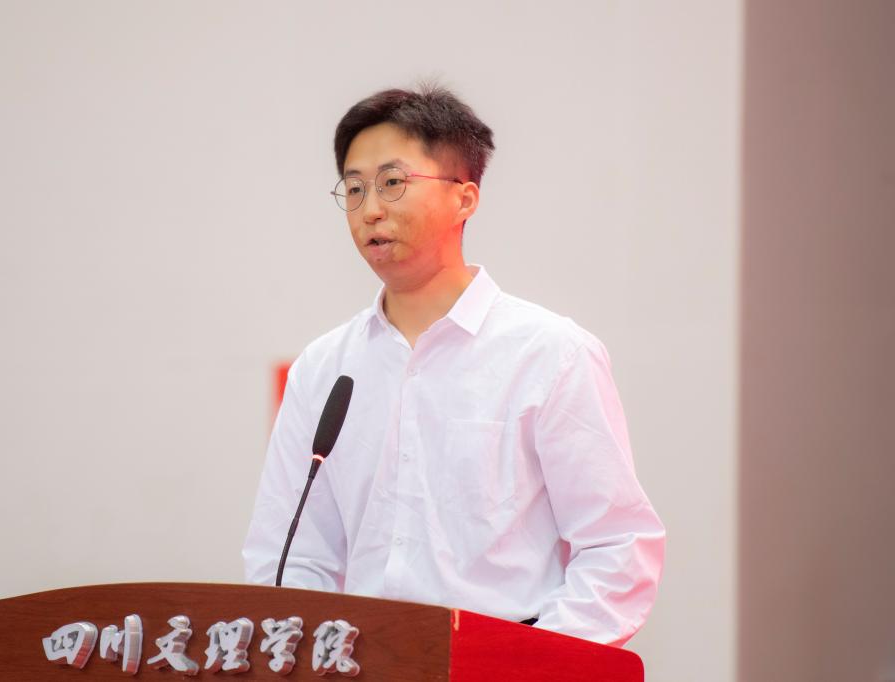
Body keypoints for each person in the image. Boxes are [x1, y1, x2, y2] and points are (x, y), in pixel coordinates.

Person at [242, 85, 665, 647]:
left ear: (464, 199)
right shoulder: (323, 369)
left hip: (505, 660)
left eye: (393, 183)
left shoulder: (550, 354)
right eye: (354, 188)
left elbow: (617, 546)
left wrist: (527, 663)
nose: (370, 209)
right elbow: (291, 558)